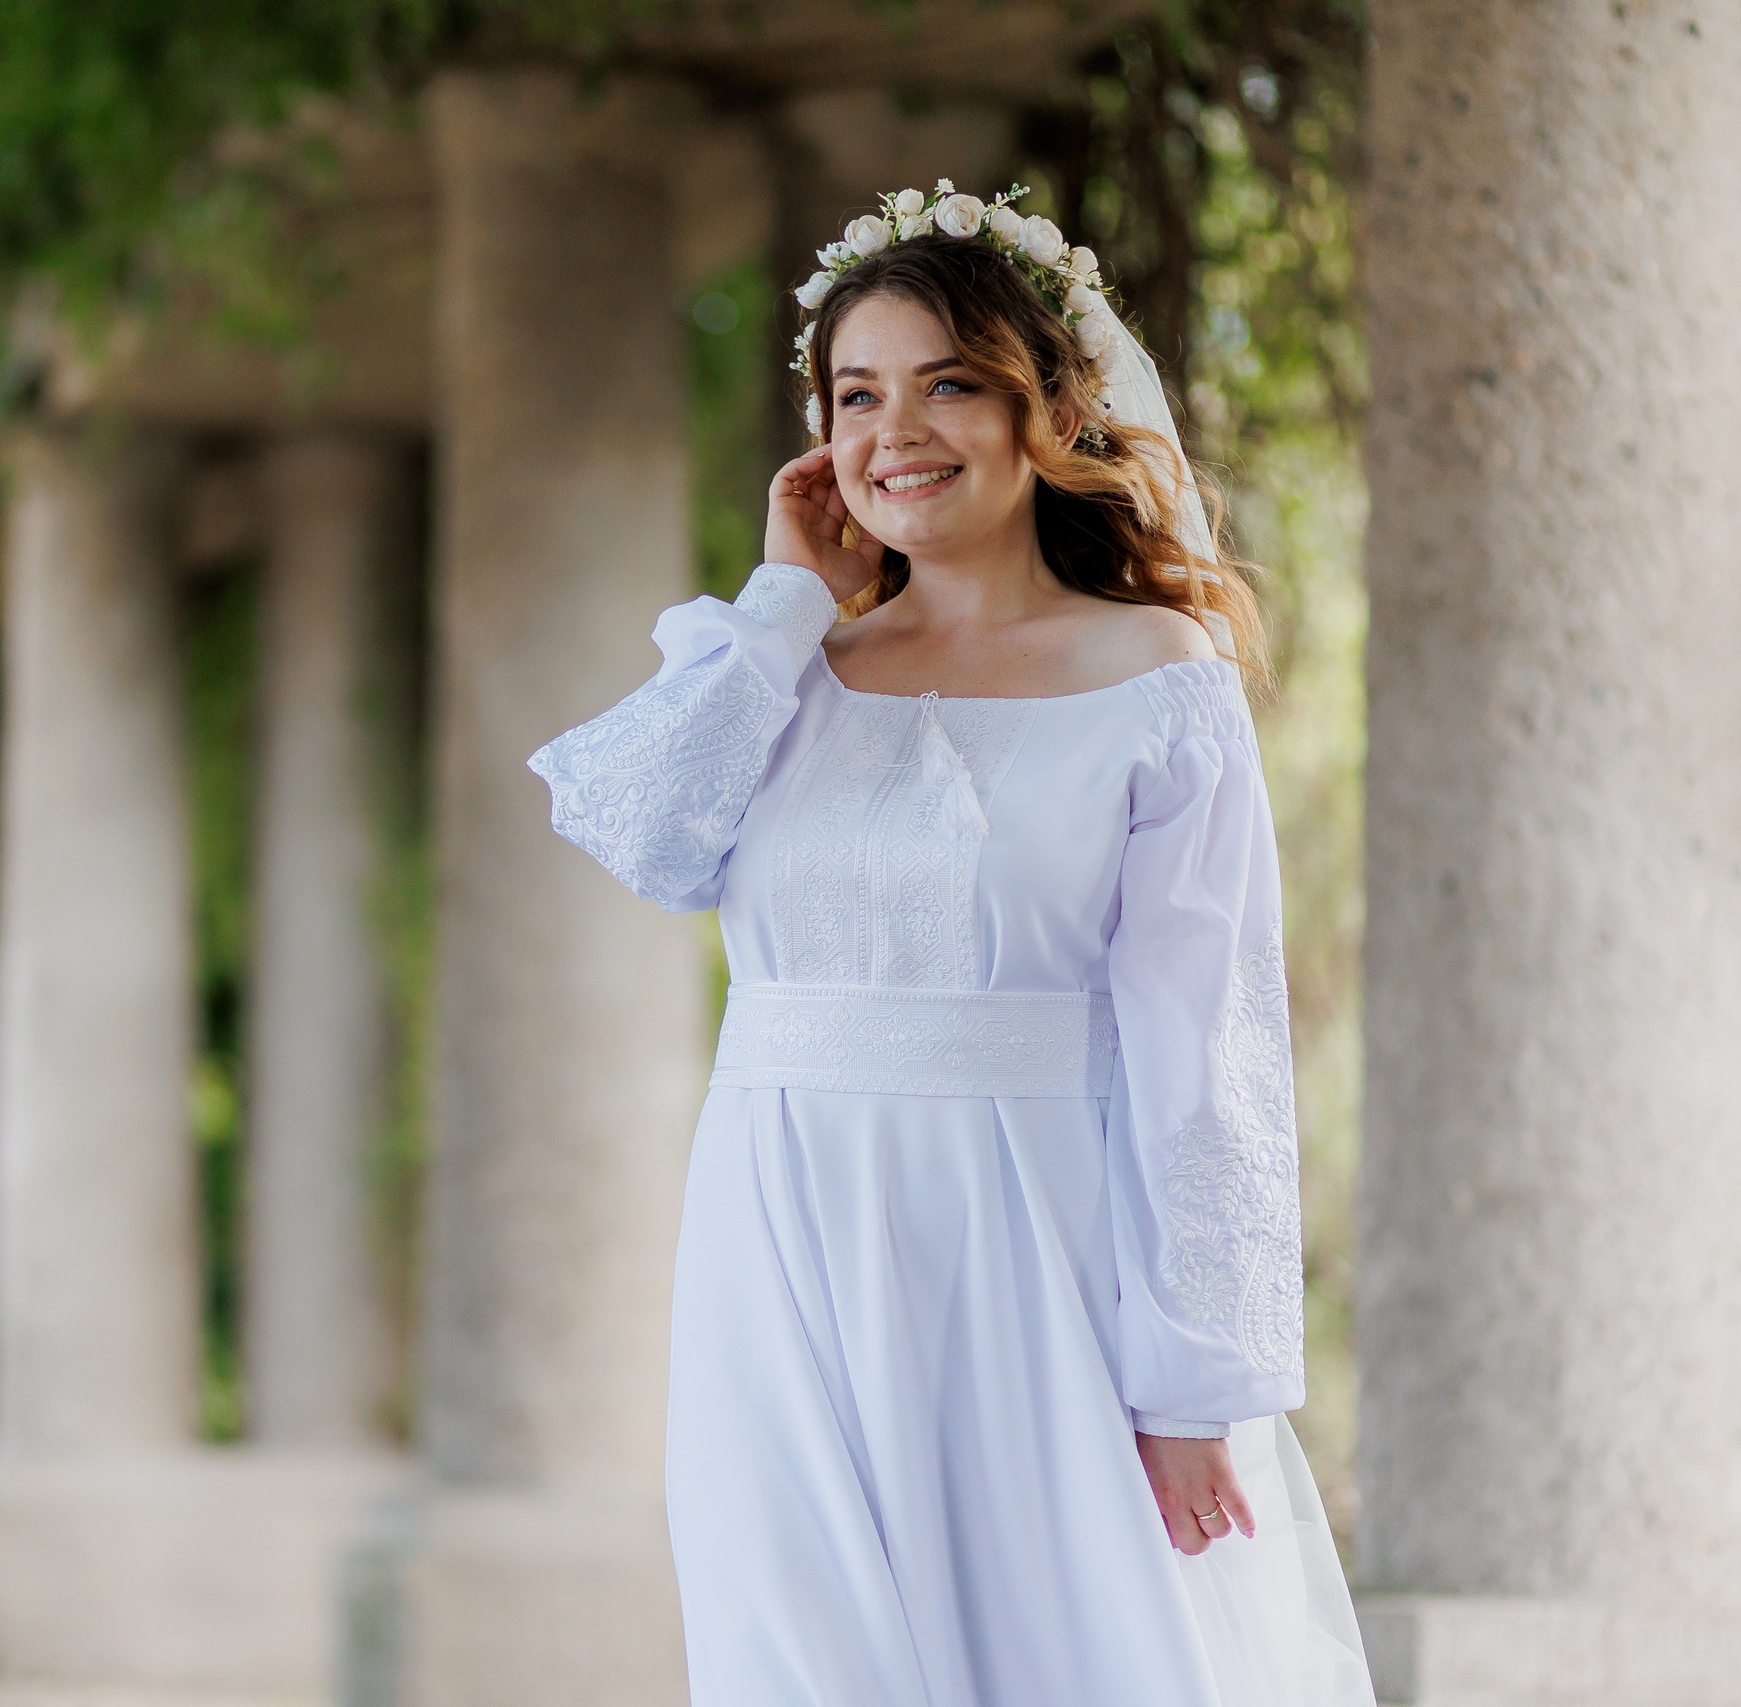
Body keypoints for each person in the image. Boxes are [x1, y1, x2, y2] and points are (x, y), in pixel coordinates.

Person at [528, 184, 1372, 1706]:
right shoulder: (786, 665)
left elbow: (1211, 1049)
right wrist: (788, 599)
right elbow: (643, 834)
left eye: (949, 385)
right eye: (858, 395)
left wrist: (1195, 1380)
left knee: (1077, 1650)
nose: (896, 431)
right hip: (779, 1231)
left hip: (1033, 1237)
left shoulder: (1158, 679)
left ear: (1044, 409)